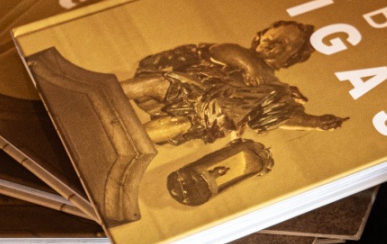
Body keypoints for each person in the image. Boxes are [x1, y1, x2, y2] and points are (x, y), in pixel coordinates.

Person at [118, 20, 346, 148]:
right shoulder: (236, 52)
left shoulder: (275, 88)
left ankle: (124, 143)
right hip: (184, 89)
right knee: (156, 83)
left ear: (292, 57)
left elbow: (281, 116)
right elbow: (220, 51)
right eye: (270, 38)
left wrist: (315, 122)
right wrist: (250, 66)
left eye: (283, 45)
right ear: (259, 37)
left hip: (208, 115)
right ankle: (104, 95)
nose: (272, 44)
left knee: (180, 124)